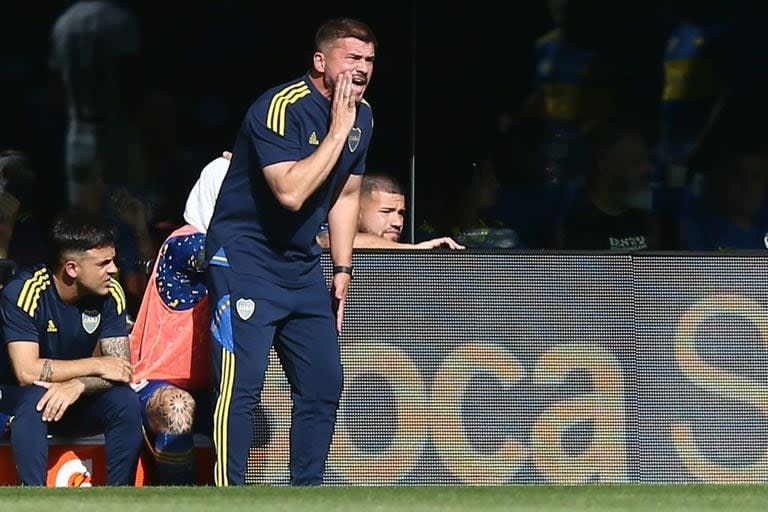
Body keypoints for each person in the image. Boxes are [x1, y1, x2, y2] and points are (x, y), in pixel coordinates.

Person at [204, 18, 376, 486]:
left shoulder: (363, 117)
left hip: (301, 265)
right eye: (352, 58)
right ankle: (229, 493)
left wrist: (342, 268)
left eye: (369, 61)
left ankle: (307, 492)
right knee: (241, 386)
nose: (362, 69)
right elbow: (291, 194)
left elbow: (345, 194)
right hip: (244, 258)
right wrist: (338, 132)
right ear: (321, 62)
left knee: (323, 382)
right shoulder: (279, 108)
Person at [0, 208, 143, 486]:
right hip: (18, 396)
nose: (113, 270)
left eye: (112, 260)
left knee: (125, 402)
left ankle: (122, 497)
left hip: (77, 396)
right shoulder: (26, 291)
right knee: (35, 399)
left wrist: (78, 383)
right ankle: (35, 499)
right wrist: (94, 365)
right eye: (103, 263)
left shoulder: (111, 293)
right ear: (72, 268)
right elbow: (27, 372)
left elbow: (120, 370)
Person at [129, 155, 228, 485]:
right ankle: (179, 498)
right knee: (177, 407)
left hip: (219, 385)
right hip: (160, 382)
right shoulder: (184, 244)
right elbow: (227, 253)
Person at [48, 0, 146, 207]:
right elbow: (130, 79)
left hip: (78, 133)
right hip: (117, 129)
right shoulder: (120, 18)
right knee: (126, 216)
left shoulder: (64, 22)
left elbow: (56, 87)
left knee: (85, 220)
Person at [553, 120, 657, 251]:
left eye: (647, 160)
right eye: (636, 161)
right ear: (605, 166)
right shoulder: (576, 227)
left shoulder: (647, 221)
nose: (648, 169)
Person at [317, 172, 464, 249]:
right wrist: (413, 250)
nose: (397, 222)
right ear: (356, 211)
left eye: (401, 213)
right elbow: (330, 241)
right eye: (386, 211)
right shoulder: (326, 234)